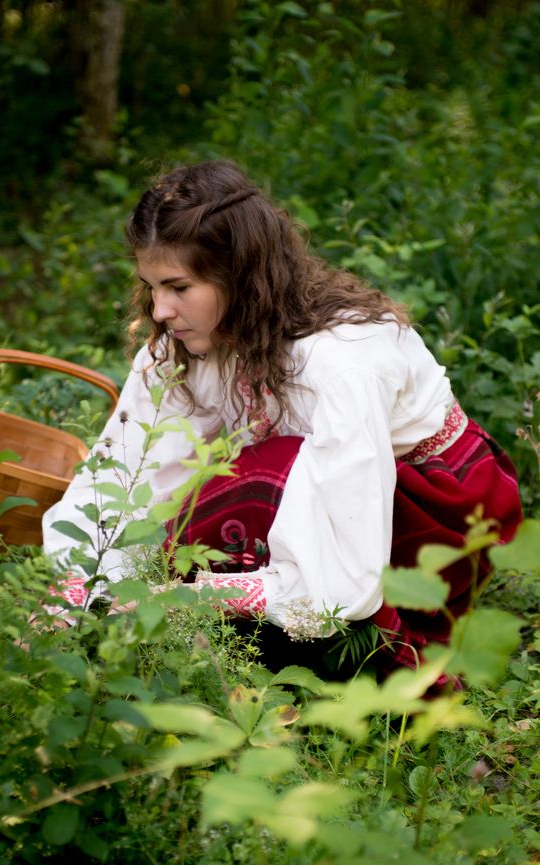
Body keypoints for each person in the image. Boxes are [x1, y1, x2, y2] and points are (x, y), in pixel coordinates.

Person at [43, 159, 522, 675]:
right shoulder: (184, 347)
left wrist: (188, 596)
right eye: (151, 286)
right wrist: (78, 589)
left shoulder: (340, 362)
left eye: (178, 288)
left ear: (240, 277)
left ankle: (349, 656)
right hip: (324, 491)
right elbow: (122, 470)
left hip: (432, 511)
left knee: (262, 477)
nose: (159, 309)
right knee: (224, 487)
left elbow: (346, 581)